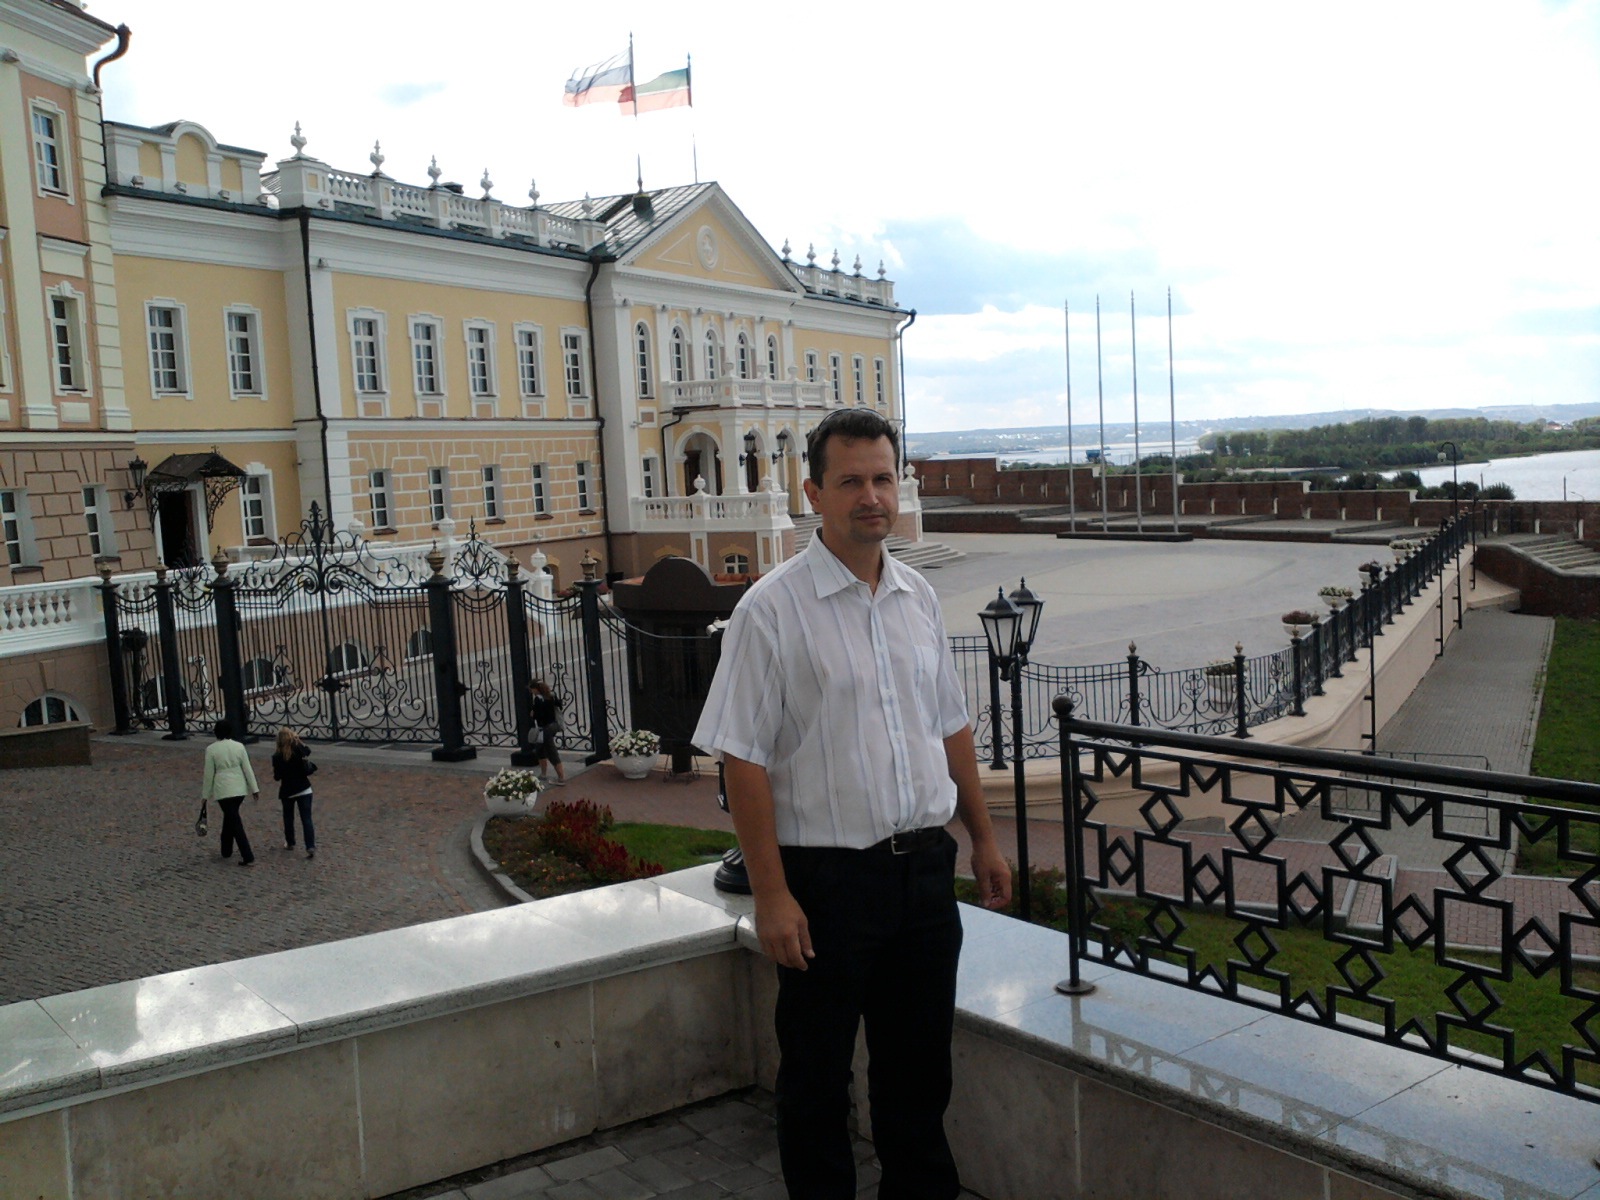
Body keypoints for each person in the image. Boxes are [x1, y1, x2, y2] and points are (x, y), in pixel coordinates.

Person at [692, 407, 1011, 1199]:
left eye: (882, 479)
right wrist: (772, 894)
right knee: (816, 1083)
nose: (871, 496)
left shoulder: (916, 598)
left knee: (919, 1079)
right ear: (814, 493)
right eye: (851, 482)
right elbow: (742, 758)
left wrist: (983, 838)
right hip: (826, 884)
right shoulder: (771, 609)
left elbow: (950, 725)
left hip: (923, 877)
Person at [202, 719, 259, 867]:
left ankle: (247, 855)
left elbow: (208, 774)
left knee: (233, 820)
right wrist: (254, 788)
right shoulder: (239, 747)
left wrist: (205, 795)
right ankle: (226, 849)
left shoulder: (211, 749)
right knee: (230, 818)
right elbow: (247, 768)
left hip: (223, 789)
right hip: (239, 789)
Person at [271, 727, 318, 859]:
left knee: (288, 818)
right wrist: (299, 741)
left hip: (288, 791)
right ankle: (310, 846)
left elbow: (277, 777)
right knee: (306, 819)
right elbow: (308, 751)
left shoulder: (277, 756)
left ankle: (290, 842)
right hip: (304, 788)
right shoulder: (298, 750)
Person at [529, 679, 567, 786]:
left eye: (532, 689)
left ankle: (561, 778)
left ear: (536, 689)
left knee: (551, 751)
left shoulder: (538, 699)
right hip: (552, 725)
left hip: (545, 728)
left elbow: (539, 715)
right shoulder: (551, 696)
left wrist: (533, 713)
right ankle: (543, 774)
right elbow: (559, 705)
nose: (531, 692)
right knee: (540, 749)